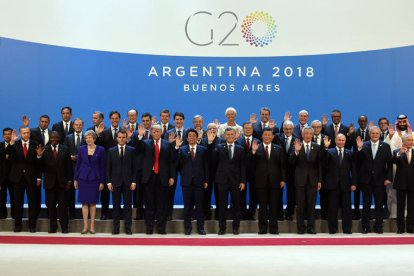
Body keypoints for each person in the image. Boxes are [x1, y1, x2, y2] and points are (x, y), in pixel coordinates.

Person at [129, 124, 176, 235]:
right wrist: (139, 136)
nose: (155, 133)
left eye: (157, 131)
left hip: (163, 177)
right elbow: (138, 148)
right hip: (149, 177)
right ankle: (149, 228)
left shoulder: (168, 145)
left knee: (162, 205)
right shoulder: (145, 143)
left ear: (161, 133)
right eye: (153, 131)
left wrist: (172, 176)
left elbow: (171, 162)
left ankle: (161, 228)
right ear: (151, 133)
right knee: (149, 204)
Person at [208, 127, 246, 235]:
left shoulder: (240, 148)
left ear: (235, 136)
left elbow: (243, 167)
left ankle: (236, 228)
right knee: (221, 206)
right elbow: (211, 159)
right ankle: (222, 228)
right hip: (222, 181)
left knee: (236, 206)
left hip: (236, 181)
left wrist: (243, 181)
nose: (229, 136)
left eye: (231, 134)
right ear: (224, 136)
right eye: (227, 134)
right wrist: (210, 143)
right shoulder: (219, 147)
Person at [356, 126, 392, 234]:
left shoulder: (386, 146)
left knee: (379, 205)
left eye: (377, 133)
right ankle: (365, 226)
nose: (375, 135)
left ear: (380, 134)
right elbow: (357, 161)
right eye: (373, 133)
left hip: (380, 181)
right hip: (366, 181)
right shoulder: (364, 145)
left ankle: (378, 226)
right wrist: (359, 149)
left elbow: (389, 164)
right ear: (369, 134)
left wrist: (388, 178)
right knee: (366, 205)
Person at [250, 127, 286, 234]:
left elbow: (282, 166)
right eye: (265, 135)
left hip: (275, 182)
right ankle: (262, 229)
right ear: (262, 136)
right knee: (262, 207)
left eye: (269, 135)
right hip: (261, 182)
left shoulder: (278, 148)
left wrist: (283, 179)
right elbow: (250, 164)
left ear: (273, 136)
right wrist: (253, 152)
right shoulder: (257, 147)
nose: (267, 137)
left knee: (274, 206)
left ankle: (274, 229)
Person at [7, 127, 42, 232]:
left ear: (30, 134)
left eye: (27, 133)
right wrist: (11, 143)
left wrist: (39, 157)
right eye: (24, 133)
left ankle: (32, 226)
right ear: (20, 134)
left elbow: (38, 164)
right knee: (18, 203)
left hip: (31, 178)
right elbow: (7, 155)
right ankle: (18, 225)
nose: (26, 135)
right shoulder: (15, 144)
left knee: (33, 203)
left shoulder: (35, 144)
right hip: (18, 178)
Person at [37, 131, 72, 233]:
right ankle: (53, 227)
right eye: (51, 138)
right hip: (49, 183)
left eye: (55, 137)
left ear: (59, 138)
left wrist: (69, 180)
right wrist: (39, 156)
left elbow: (69, 167)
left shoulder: (65, 149)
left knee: (63, 207)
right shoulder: (45, 150)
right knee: (51, 207)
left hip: (62, 183)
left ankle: (64, 227)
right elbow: (40, 166)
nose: (53, 139)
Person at [289, 126, 322, 234]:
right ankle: (300, 228)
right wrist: (296, 152)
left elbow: (319, 166)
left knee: (311, 206)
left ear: (312, 135)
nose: (307, 135)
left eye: (309, 134)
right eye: (305, 133)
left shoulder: (317, 147)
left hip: (313, 181)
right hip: (300, 181)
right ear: (302, 135)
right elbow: (291, 162)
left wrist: (319, 181)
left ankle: (311, 227)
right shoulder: (296, 145)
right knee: (300, 206)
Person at [322, 134, 357, 234]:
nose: (341, 142)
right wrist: (325, 148)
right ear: (335, 140)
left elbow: (353, 169)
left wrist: (354, 183)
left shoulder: (350, 153)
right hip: (332, 185)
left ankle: (347, 229)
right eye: (339, 140)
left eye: (343, 140)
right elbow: (323, 164)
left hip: (346, 185)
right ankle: (332, 229)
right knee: (332, 208)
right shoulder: (329, 152)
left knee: (347, 208)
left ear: (345, 141)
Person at [177, 129, 208, 235]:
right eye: (189, 136)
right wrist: (176, 148)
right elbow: (176, 163)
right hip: (186, 182)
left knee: (199, 206)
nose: (191, 137)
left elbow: (206, 166)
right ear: (186, 138)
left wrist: (206, 180)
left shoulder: (203, 150)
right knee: (188, 207)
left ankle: (201, 228)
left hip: (199, 182)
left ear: (197, 137)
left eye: (193, 136)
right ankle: (188, 228)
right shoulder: (182, 150)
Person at [74, 130, 105, 234]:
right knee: (84, 203)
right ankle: (85, 226)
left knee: (92, 203)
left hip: (95, 179)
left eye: (90, 137)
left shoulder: (101, 150)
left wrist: (102, 182)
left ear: (94, 138)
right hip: (83, 178)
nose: (88, 139)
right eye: (86, 138)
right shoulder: (82, 149)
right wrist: (75, 179)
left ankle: (92, 226)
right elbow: (78, 165)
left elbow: (102, 167)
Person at [106, 130, 137, 235]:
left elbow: (134, 168)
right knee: (116, 206)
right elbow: (108, 168)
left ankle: (128, 228)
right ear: (117, 138)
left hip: (128, 183)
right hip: (115, 182)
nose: (122, 139)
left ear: (126, 138)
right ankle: (116, 228)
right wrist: (109, 182)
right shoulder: (111, 151)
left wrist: (134, 181)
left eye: (124, 137)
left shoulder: (132, 150)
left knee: (128, 207)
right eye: (120, 137)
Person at [96, 110, 122, 220]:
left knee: (119, 192)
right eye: (113, 118)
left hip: (120, 167)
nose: (115, 120)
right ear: (110, 119)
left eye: (116, 118)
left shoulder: (124, 132)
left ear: (119, 119)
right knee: (105, 193)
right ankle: (104, 213)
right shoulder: (104, 132)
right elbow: (98, 147)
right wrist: (98, 135)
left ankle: (119, 213)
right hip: (107, 166)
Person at [273, 120, 297, 221]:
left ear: (293, 129)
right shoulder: (277, 137)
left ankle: (289, 213)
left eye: (290, 129)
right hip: (279, 170)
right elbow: (266, 135)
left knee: (292, 193)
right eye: (286, 128)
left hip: (292, 171)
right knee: (278, 193)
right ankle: (279, 213)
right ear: (283, 129)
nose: (288, 130)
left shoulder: (297, 140)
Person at [200, 123, 225, 220]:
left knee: (219, 195)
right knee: (206, 195)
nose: (212, 130)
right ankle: (206, 215)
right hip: (207, 173)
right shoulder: (203, 141)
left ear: (217, 130)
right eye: (210, 128)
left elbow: (219, 156)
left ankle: (219, 216)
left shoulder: (222, 140)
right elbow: (203, 156)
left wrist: (210, 146)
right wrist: (209, 143)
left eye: (214, 128)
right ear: (207, 130)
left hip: (219, 172)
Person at [165, 111, 187, 220]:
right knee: (170, 191)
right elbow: (165, 149)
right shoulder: (168, 133)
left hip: (185, 165)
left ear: (184, 120)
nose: (179, 121)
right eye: (177, 119)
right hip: (172, 164)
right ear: (174, 120)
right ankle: (168, 214)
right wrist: (170, 143)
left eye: (181, 119)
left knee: (188, 190)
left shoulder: (188, 133)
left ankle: (189, 214)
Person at [236, 122, 260, 220]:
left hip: (254, 172)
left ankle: (251, 214)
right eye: (246, 128)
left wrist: (255, 152)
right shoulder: (237, 141)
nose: (248, 130)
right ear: (243, 129)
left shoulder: (258, 141)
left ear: (252, 129)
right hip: (241, 172)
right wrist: (252, 152)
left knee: (254, 194)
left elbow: (260, 157)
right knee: (241, 194)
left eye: (250, 128)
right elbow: (239, 158)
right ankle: (243, 214)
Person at [64, 118, 86, 219]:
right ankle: (71, 214)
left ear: (83, 125)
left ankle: (85, 215)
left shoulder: (87, 137)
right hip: (71, 169)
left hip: (84, 169)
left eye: (80, 125)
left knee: (85, 193)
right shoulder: (68, 137)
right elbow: (64, 152)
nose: (78, 126)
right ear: (73, 126)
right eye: (76, 125)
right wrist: (70, 157)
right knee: (70, 194)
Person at [392, 133, 414, 234]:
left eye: (412, 140)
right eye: (409, 140)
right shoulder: (397, 151)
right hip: (401, 183)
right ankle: (400, 228)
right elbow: (393, 161)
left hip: (412, 184)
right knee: (400, 206)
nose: (411, 142)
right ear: (404, 141)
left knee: (412, 206)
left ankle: (411, 227)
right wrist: (400, 153)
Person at [0, 128, 15, 219]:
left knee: (14, 197)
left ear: (12, 135)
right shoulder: (0, 145)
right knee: (1, 198)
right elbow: (2, 154)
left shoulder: (16, 146)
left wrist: (12, 144)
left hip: (13, 176)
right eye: (5, 134)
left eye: (9, 134)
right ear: (3, 135)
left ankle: (14, 214)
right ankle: (2, 215)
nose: (7, 136)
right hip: (1, 177)